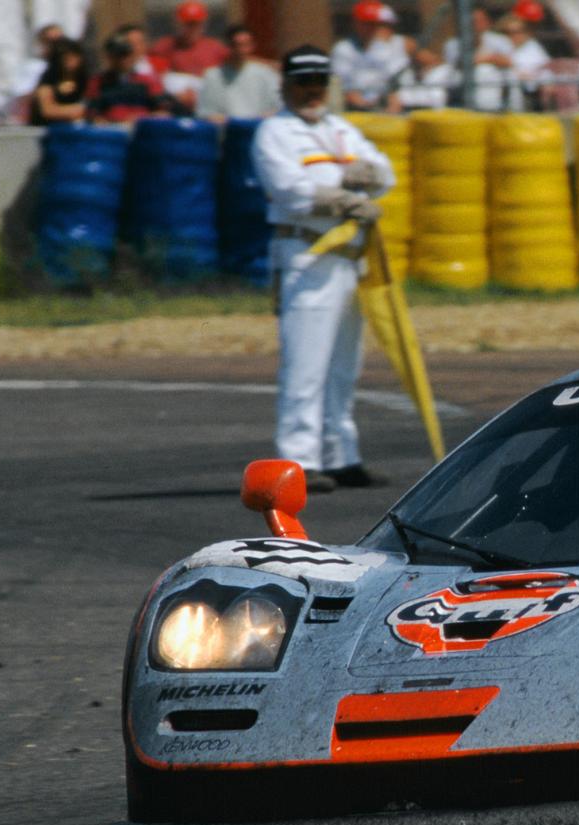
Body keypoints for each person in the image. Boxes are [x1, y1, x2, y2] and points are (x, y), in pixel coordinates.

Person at [253, 45, 397, 493]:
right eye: (303, 83)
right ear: (286, 86)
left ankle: (341, 455)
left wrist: (355, 179)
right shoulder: (274, 132)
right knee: (305, 366)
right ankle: (297, 460)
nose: (312, 91)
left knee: (343, 366)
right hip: (307, 254)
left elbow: (386, 174)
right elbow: (291, 189)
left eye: (319, 82)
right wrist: (345, 188)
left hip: (350, 259)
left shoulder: (340, 128)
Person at [332, 1, 410, 113]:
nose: (371, 28)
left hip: (386, 104)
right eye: (366, 23)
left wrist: (390, 109)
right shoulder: (343, 49)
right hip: (356, 108)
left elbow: (393, 84)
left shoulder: (385, 47)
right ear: (355, 23)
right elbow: (347, 90)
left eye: (375, 23)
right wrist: (369, 108)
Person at [198, 24, 281, 121]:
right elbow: (205, 112)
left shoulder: (266, 74)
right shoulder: (212, 76)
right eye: (236, 45)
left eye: (245, 45)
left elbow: (277, 107)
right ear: (228, 46)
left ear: (252, 46)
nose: (241, 50)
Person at [442, 4, 514, 110]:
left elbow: (508, 62)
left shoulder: (500, 40)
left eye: (480, 21)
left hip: (496, 79)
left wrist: (485, 59)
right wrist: (490, 58)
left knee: (488, 71)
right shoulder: (453, 44)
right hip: (461, 82)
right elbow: (456, 65)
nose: (476, 25)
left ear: (487, 22)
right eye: (472, 21)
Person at [29, 39, 90, 126]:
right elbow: (47, 110)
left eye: (74, 56)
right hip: (48, 130)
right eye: (66, 58)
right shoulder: (48, 79)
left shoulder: (84, 78)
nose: (71, 61)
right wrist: (78, 110)